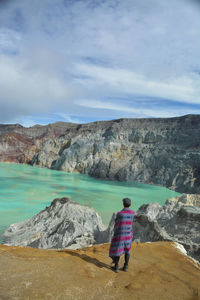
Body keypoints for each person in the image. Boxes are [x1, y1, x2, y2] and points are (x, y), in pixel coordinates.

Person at [109, 197, 135, 273]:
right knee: (127, 250)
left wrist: (116, 232)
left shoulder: (120, 214)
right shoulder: (133, 213)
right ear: (130, 204)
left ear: (123, 204)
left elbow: (116, 224)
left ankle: (116, 267)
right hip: (128, 234)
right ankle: (126, 266)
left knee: (118, 249)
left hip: (120, 235)